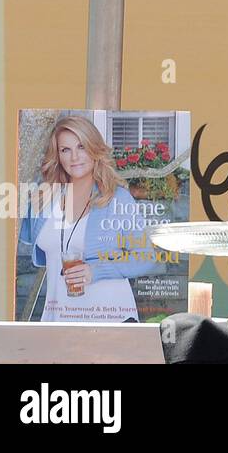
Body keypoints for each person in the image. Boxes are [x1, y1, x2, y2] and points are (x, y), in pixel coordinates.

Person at [19, 115, 164, 322]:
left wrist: (96, 270)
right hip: (58, 316)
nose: (74, 157)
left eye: (81, 147)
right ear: (57, 155)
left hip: (108, 315)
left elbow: (146, 256)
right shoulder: (44, 197)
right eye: (65, 150)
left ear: (94, 149)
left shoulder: (116, 198)